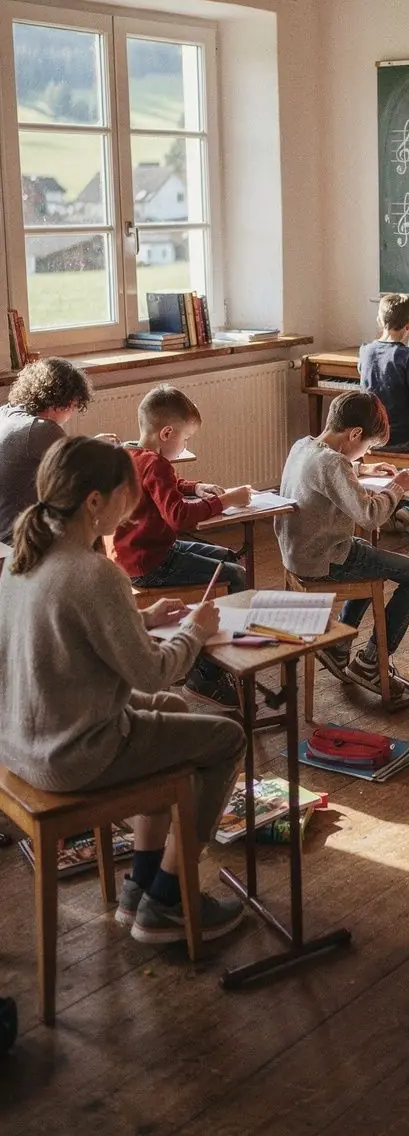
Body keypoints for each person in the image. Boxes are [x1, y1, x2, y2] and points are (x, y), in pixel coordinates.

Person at [0, 436, 247, 946]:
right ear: (95, 501)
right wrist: (194, 630)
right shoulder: (95, 572)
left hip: (20, 743)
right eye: (126, 498)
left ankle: (141, 883)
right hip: (71, 754)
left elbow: (69, 627)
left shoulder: (24, 558)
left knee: (171, 709)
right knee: (227, 738)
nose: (131, 510)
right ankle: (169, 898)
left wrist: (141, 618)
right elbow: (152, 672)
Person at [275, 392, 409, 704]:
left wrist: (361, 470)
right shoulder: (334, 463)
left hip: (297, 552)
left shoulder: (303, 446)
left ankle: (338, 647)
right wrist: (397, 488)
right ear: (354, 433)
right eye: (367, 446)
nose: (366, 453)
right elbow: (370, 516)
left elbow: (324, 474)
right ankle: (371, 662)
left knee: (368, 558)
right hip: (323, 559)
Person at [112, 384, 252, 710]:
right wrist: (226, 500)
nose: (186, 445)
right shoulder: (157, 464)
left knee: (226, 557)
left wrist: (195, 487)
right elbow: (178, 516)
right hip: (152, 564)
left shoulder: (129, 452)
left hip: (140, 555)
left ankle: (204, 650)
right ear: (167, 433)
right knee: (235, 576)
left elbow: (166, 486)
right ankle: (207, 673)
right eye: (186, 439)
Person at [0, 356, 117, 543]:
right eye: (74, 406)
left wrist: (90, 445)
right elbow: (81, 473)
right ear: (66, 401)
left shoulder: (5, 413)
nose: (73, 412)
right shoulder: (41, 429)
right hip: (17, 537)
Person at [359, 293, 409, 452]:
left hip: (371, 437)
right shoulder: (408, 355)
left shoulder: (365, 351)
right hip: (399, 438)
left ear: (379, 320)